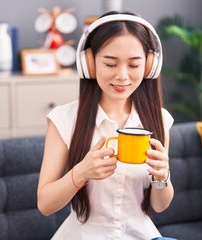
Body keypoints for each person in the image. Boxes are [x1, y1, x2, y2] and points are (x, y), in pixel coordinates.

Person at [37, 11, 174, 239]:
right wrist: (80, 173)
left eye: (134, 65)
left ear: (149, 65)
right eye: (110, 64)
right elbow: (45, 204)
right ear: (89, 62)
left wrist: (162, 177)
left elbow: (160, 206)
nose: (122, 76)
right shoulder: (64, 119)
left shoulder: (159, 119)